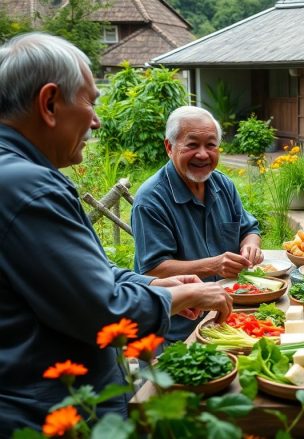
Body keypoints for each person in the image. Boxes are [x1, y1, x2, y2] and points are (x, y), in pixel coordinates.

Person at [0, 33, 233, 435]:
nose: (96, 120)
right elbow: (102, 308)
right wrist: (184, 294)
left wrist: (145, 282)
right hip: (52, 415)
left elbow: (89, 274)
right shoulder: (27, 186)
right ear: (50, 103)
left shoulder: (21, 176)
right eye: (89, 101)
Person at [131, 106, 263, 343]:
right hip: (176, 332)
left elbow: (248, 228)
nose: (203, 154)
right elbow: (153, 269)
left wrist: (250, 245)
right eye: (192, 145)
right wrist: (214, 265)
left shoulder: (223, 185)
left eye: (210, 145)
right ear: (169, 147)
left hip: (226, 318)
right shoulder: (151, 200)